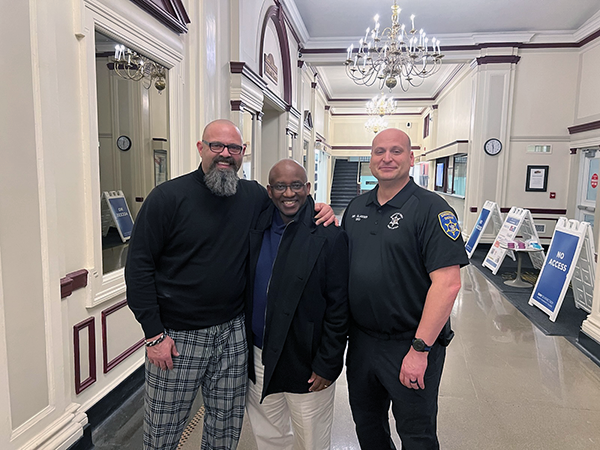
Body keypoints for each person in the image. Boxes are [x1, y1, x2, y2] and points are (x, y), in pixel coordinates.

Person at [125, 120, 334, 450]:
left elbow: (290, 200)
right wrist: (154, 333)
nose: (225, 154)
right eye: (216, 146)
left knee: (226, 424)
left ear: (242, 153)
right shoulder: (167, 198)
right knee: (163, 427)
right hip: (177, 336)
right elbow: (138, 268)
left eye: (233, 148)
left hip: (234, 334)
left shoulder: (252, 195)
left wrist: (319, 208)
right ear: (201, 148)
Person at [341, 128, 469, 450]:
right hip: (361, 343)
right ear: (370, 159)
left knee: (416, 434)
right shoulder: (356, 209)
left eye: (396, 151)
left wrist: (420, 349)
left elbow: (448, 283)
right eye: (379, 151)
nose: (387, 158)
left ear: (411, 158)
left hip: (409, 344)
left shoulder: (431, 209)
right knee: (368, 425)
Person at [245, 159, 349, 450]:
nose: (288, 193)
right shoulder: (257, 227)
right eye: (280, 186)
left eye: (295, 186)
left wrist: (328, 363)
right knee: (269, 435)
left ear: (308, 188)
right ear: (269, 191)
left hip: (306, 359)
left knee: (311, 439)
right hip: (258, 355)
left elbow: (339, 306)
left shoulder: (329, 235)